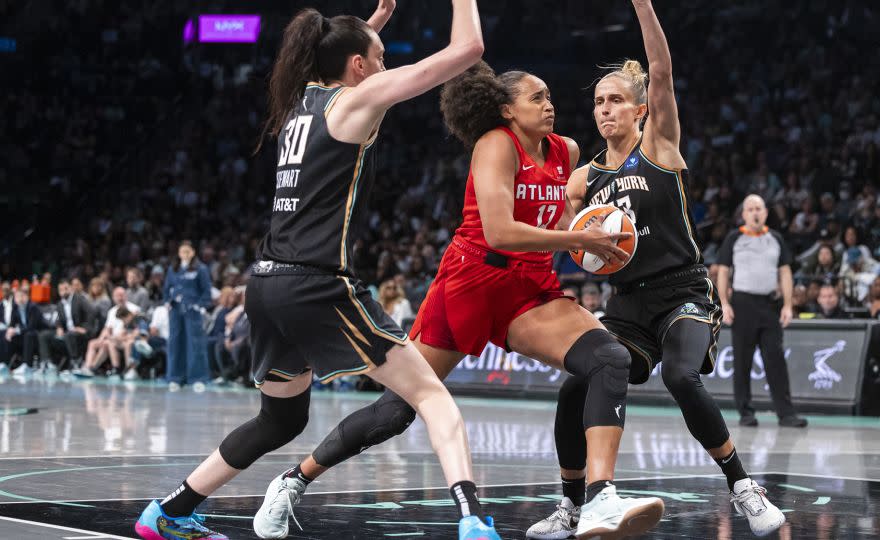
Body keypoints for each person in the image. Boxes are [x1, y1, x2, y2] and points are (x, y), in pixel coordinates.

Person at [254, 58, 667, 540]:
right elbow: (500, 232)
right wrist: (576, 242)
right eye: (537, 97)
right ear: (507, 110)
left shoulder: (566, 150)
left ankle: (595, 501)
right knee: (396, 410)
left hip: (529, 289)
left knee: (607, 359)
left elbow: (554, 228)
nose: (550, 105)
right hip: (469, 284)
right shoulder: (495, 145)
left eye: (550, 96)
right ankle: (292, 482)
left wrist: (584, 237)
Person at [134, 3, 502, 540]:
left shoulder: (303, 101)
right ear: (357, 67)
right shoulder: (358, 99)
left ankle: (168, 511)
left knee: (280, 420)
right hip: (316, 282)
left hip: (266, 283)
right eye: (379, 59)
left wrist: (370, 26)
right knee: (429, 395)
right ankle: (472, 522)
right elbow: (468, 50)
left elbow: (333, 57)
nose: (384, 68)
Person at [528, 2, 784, 538]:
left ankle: (742, 486)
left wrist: (642, 5)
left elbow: (661, 71)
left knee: (680, 375)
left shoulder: (658, 146)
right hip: (625, 304)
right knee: (574, 387)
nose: (605, 110)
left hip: (683, 291)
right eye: (598, 103)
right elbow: (554, 230)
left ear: (641, 109)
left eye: (616, 101)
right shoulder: (583, 180)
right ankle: (574, 506)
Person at [717, 194, 808, 428]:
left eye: (759, 208)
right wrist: (724, 304)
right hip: (742, 304)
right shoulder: (734, 238)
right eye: (750, 209)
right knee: (742, 361)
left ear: (766, 212)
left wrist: (788, 305)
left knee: (775, 359)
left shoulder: (775, 238)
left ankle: (786, 414)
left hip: (769, 305)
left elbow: (785, 272)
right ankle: (746, 412)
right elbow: (724, 271)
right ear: (744, 214)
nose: (755, 212)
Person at [163, 241, 213, 392]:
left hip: (192, 311)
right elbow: (166, 288)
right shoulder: (173, 269)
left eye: (187, 251)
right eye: (182, 251)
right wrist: (167, 301)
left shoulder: (201, 269)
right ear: (178, 253)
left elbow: (206, 291)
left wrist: (200, 305)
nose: (184, 254)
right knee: (175, 343)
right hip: (176, 310)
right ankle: (175, 378)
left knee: (195, 344)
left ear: (193, 252)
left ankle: (198, 378)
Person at [38, 280, 97, 372]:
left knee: (70, 334)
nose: (63, 291)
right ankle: (47, 362)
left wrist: (84, 329)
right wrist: (59, 327)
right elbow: (58, 319)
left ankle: (75, 362)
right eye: (61, 289)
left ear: (71, 288)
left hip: (80, 333)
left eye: (66, 288)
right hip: (67, 333)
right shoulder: (60, 304)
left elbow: (91, 313)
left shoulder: (80, 299)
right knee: (44, 335)